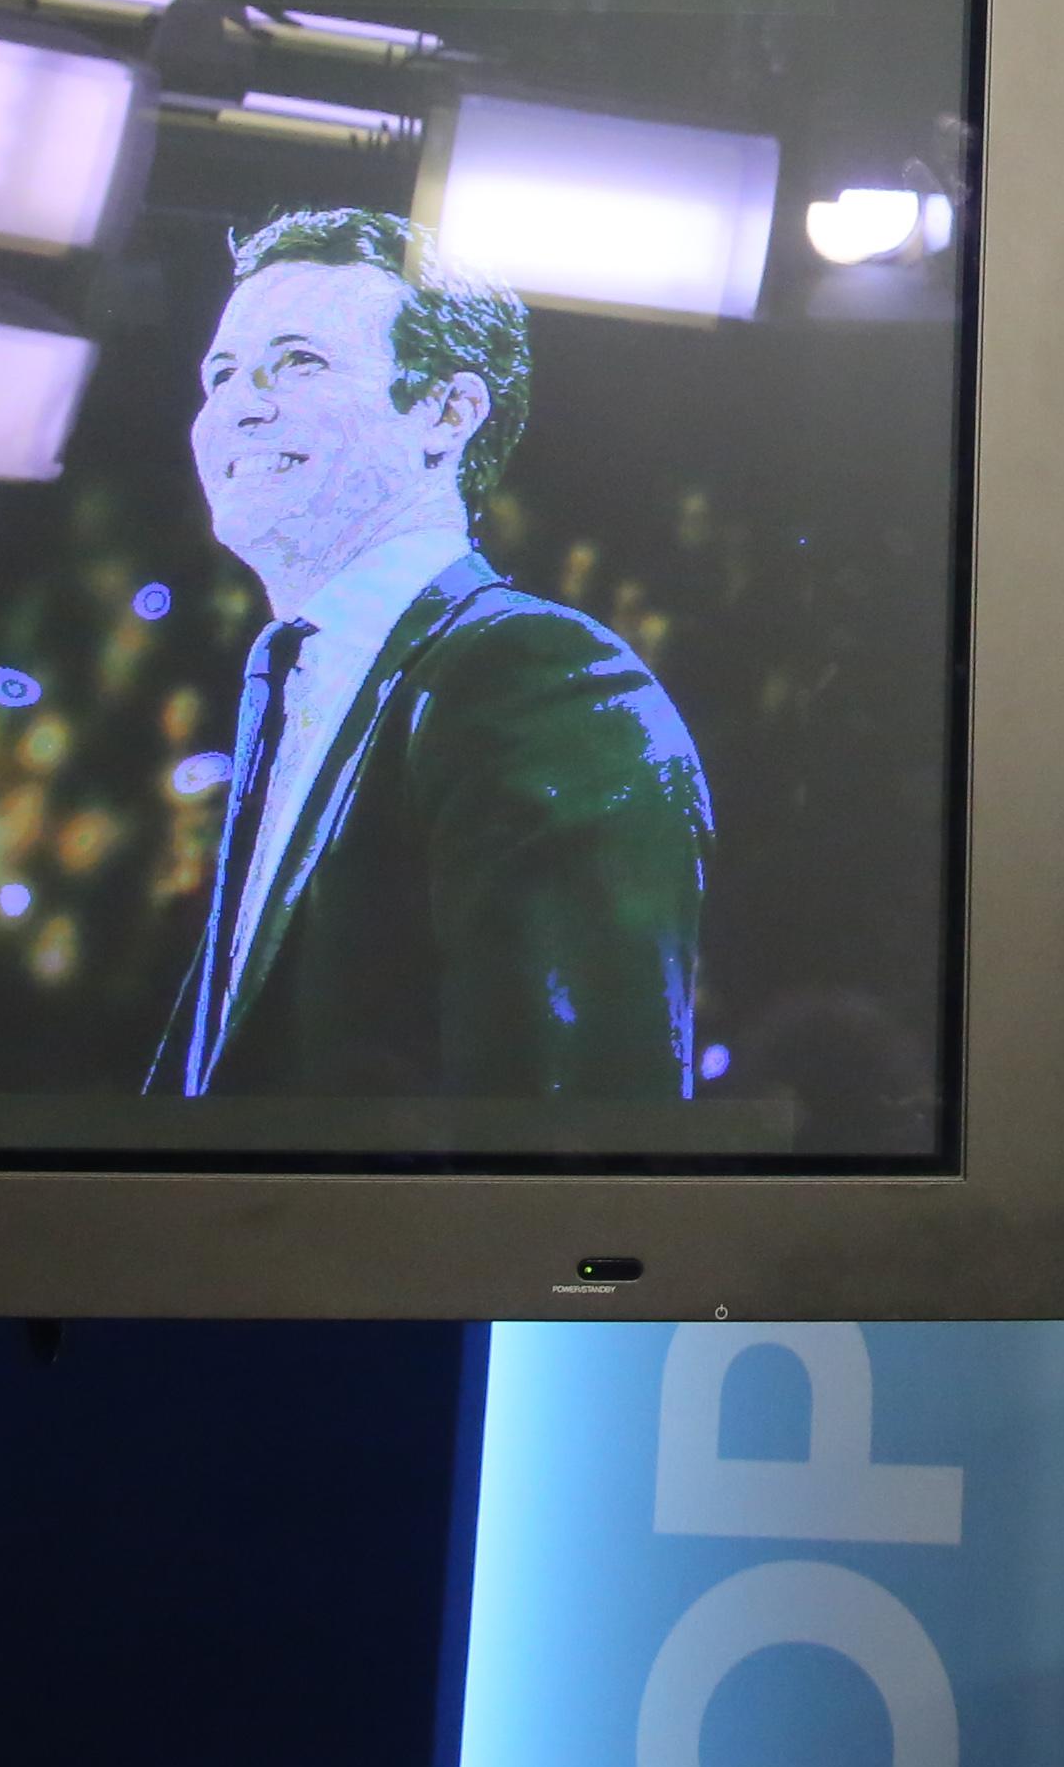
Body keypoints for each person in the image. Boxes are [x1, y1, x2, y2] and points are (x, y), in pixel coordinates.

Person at [143, 205, 712, 1104]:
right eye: (220, 374)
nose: (238, 404)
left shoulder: (541, 679)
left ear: (448, 411)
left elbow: (571, 1123)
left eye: (298, 362)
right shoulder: (291, 678)